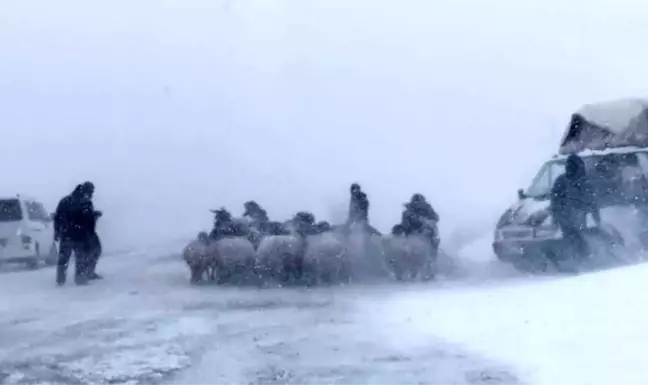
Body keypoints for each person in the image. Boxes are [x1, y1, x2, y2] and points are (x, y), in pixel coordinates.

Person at [550, 154, 601, 259]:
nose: (570, 169)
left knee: (581, 238)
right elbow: (555, 201)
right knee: (574, 239)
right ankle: (579, 258)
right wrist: (555, 218)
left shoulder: (585, 181)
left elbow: (592, 201)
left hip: (579, 218)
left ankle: (584, 257)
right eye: (569, 166)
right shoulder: (562, 181)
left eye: (573, 166)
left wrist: (597, 220)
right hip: (567, 219)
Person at [53, 182, 98, 286]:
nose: (92, 194)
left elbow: (57, 218)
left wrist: (56, 232)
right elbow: (90, 222)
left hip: (66, 234)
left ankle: (60, 281)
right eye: (91, 192)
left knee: (63, 259)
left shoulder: (65, 201)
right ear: (88, 191)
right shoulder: (86, 203)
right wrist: (90, 235)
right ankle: (80, 279)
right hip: (80, 236)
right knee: (80, 259)